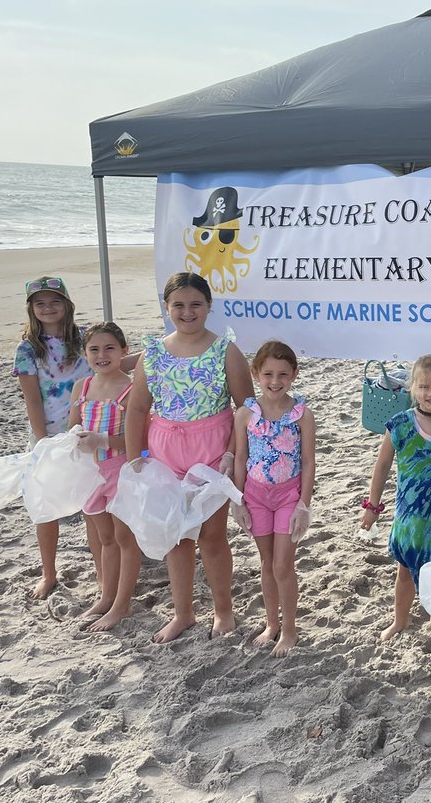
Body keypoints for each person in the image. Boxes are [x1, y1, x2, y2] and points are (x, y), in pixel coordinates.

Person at [125, 272, 254, 644]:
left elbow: (245, 409)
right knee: (175, 537)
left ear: (209, 307)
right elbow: (137, 410)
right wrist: (136, 459)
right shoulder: (152, 354)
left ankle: (223, 611)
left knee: (212, 537)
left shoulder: (225, 351)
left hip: (211, 452)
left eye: (195, 304)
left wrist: (231, 452)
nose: (187, 312)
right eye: (178, 305)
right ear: (167, 308)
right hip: (165, 453)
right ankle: (183, 613)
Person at [360, 353, 431, 655]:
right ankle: (399, 620)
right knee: (404, 571)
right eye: (424, 387)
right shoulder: (401, 424)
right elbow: (381, 466)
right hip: (409, 517)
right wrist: (371, 506)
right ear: (412, 389)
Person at [232, 341, 315, 656]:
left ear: (294, 374)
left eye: (283, 374)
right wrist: (237, 500)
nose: (275, 381)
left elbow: (308, 462)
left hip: (287, 497)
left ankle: (290, 629)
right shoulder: (245, 413)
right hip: (255, 495)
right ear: (255, 374)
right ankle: (271, 623)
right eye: (268, 374)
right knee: (266, 562)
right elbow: (241, 458)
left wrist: (303, 504)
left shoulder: (301, 414)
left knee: (283, 565)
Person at [14, 276, 93, 599]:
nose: (48, 308)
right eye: (40, 303)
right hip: (48, 437)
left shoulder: (84, 338)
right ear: (32, 309)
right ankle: (49, 573)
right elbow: (32, 399)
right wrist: (42, 440)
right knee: (45, 508)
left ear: (67, 305)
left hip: (87, 433)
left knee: (94, 505)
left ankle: (105, 569)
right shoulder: (28, 349)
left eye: (55, 301)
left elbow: (111, 363)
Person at [68, 321, 142, 633]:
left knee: (126, 538)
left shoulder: (131, 389)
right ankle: (107, 596)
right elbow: (71, 428)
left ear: (124, 351)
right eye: (94, 349)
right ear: (84, 354)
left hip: (121, 471)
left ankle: (122, 604)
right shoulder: (81, 388)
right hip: (91, 474)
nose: (102, 355)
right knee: (105, 538)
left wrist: (103, 442)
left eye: (110, 348)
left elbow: (141, 439)